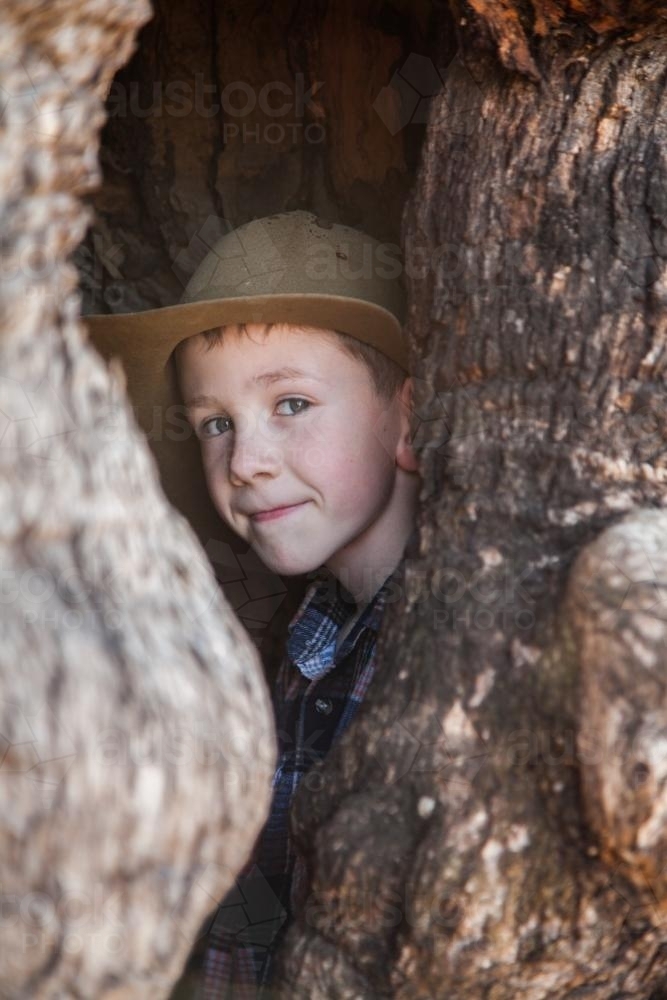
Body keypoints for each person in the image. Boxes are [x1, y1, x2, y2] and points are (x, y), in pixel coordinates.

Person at [84, 210, 421, 997]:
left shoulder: (442, 639)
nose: (245, 462)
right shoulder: (305, 638)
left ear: (414, 418)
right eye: (214, 424)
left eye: (292, 405)